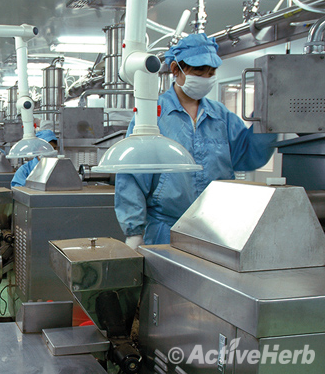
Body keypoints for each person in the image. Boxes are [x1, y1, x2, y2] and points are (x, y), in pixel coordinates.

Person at [115, 33, 277, 249]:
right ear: (175, 70)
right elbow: (132, 174)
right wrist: (134, 230)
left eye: (211, 73)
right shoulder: (153, 115)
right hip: (167, 230)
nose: (206, 78)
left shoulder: (221, 116)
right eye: (199, 71)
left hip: (216, 228)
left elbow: (248, 155)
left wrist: (269, 114)